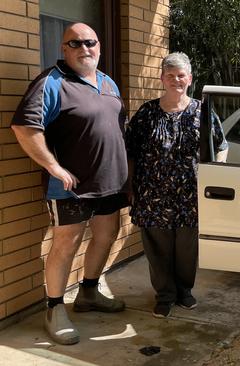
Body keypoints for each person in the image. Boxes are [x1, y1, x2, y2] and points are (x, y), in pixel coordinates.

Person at [11, 23, 128, 345]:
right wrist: (54, 167)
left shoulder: (107, 82)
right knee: (65, 246)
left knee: (107, 235)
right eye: (74, 43)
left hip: (110, 183)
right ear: (64, 49)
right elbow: (24, 127)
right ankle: (54, 308)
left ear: (99, 47)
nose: (83, 48)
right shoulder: (51, 82)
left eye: (89, 42)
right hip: (71, 187)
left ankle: (89, 291)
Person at [124, 52, 228, 318]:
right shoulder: (147, 112)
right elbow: (131, 151)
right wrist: (130, 188)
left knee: (186, 248)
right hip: (152, 194)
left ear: (189, 79)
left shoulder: (202, 111)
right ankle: (164, 295)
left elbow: (221, 146)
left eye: (181, 75)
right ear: (162, 79)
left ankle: (184, 291)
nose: (176, 80)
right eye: (170, 75)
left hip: (190, 197)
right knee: (157, 249)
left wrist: (215, 179)